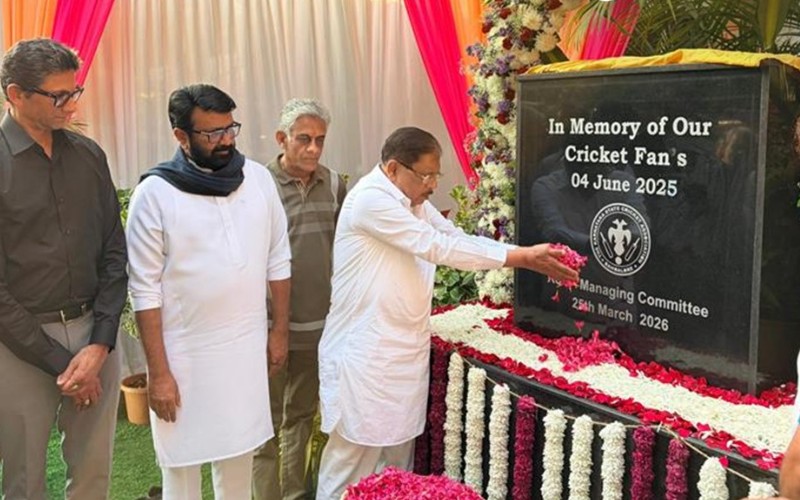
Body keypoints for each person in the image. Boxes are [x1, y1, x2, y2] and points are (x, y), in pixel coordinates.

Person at [315, 126, 581, 499]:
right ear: (393, 169)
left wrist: (521, 254)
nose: (433, 185)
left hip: (403, 353)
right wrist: (521, 258)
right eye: (425, 175)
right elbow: (437, 247)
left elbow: (454, 237)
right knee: (350, 464)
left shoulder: (414, 202)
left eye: (435, 175)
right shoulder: (370, 200)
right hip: (365, 356)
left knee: (395, 467)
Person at [126, 84, 291, 499]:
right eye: (212, 133)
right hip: (183, 357)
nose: (226, 140)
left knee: (238, 460)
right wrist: (158, 374)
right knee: (180, 468)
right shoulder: (154, 194)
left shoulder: (257, 179)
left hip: (244, 349)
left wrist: (279, 331)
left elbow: (278, 259)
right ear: (180, 136)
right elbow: (144, 291)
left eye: (230, 128)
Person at [0, 38, 127, 499]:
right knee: (24, 482)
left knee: (94, 477)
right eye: (58, 96)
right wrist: (63, 364)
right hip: (17, 344)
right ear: (16, 94)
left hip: (95, 334)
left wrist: (100, 343)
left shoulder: (89, 155)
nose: (72, 105)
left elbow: (114, 251)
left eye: (74, 91)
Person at [252, 98, 346, 500]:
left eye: (320, 140)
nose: (313, 148)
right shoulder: (257, 187)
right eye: (304, 139)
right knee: (264, 422)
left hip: (316, 327)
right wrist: (270, 326)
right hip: (266, 327)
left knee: (302, 417)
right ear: (281, 138)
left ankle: (294, 494)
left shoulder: (336, 185)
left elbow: (345, 252)